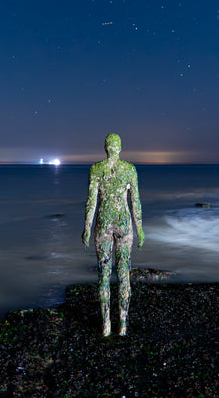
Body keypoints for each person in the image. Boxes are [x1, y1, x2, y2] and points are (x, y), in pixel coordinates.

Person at [82, 134, 145, 336]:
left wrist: (87, 227)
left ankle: (106, 325)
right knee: (124, 272)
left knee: (104, 274)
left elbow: (91, 202)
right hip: (124, 224)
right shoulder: (129, 169)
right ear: (119, 148)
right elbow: (135, 201)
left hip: (104, 223)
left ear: (105, 147)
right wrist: (140, 228)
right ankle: (123, 325)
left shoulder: (96, 169)